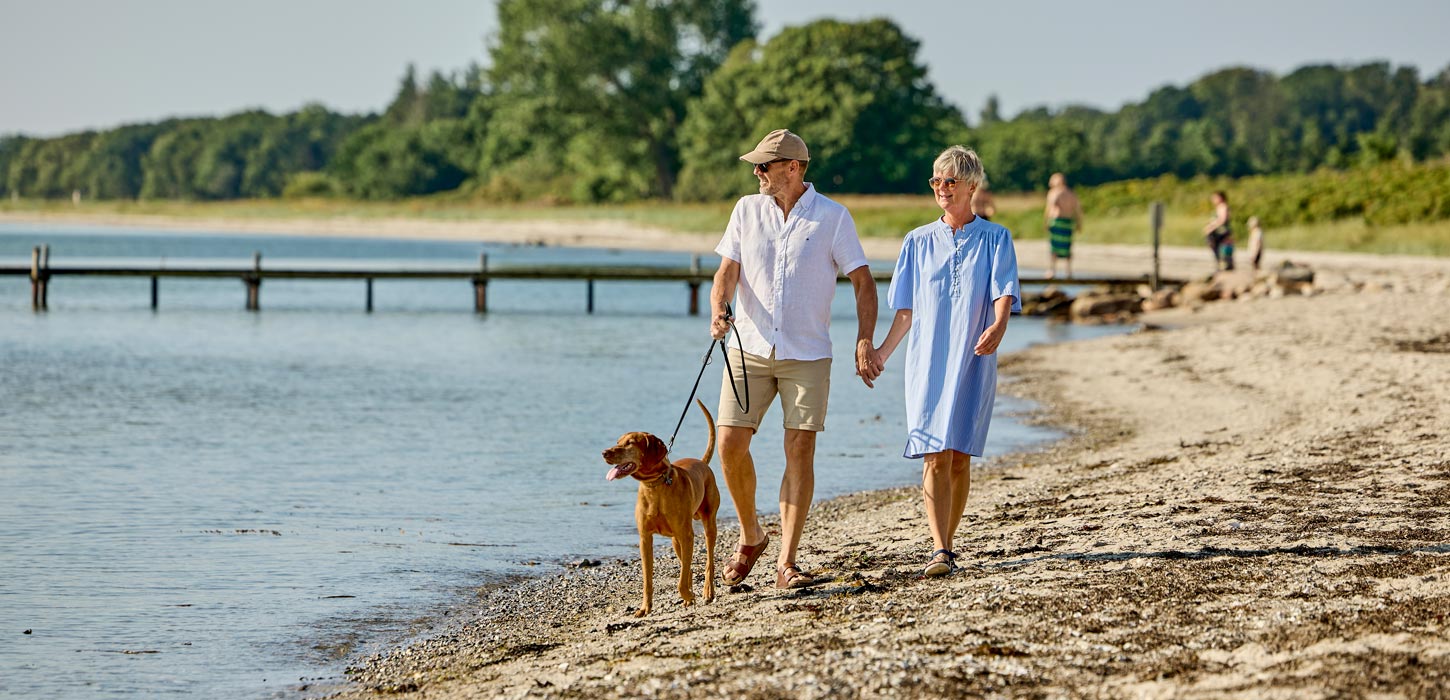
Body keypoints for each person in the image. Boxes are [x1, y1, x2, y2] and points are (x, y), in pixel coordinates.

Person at [709, 128, 882, 590]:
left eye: (763, 165)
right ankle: (751, 535)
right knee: (729, 443)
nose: (756, 172)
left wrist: (865, 340)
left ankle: (787, 561)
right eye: (755, 166)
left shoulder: (833, 217)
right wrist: (718, 309)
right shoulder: (746, 210)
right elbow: (726, 271)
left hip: (807, 353)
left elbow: (863, 282)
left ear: (792, 167)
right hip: (748, 347)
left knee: (799, 450)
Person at [874, 146, 1020, 578]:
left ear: (972, 186)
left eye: (950, 181)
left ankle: (947, 545)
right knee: (933, 453)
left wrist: (999, 325)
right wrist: (881, 353)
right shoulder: (916, 241)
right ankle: (940, 548)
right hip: (927, 361)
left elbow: (1004, 291)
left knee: (959, 456)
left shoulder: (996, 238)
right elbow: (905, 311)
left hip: (974, 356)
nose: (941, 188)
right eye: (936, 180)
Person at [1043, 173, 1081, 279]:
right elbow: (1078, 210)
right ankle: (1068, 271)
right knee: (1067, 246)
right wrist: (1079, 223)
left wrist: (1046, 222)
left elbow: (1049, 208)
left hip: (1057, 221)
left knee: (1054, 247)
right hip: (1068, 222)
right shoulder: (1071, 193)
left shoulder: (1054, 193)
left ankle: (1052, 270)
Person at [1202, 191, 1234, 271]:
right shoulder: (1219, 207)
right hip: (1219, 231)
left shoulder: (1223, 206)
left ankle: (1222, 264)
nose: (1213, 200)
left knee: (1221, 248)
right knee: (1218, 248)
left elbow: (1222, 220)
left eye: (1215, 198)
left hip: (1221, 231)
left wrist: (1211, 227)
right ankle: (1221, 264)